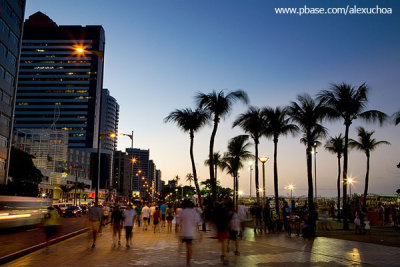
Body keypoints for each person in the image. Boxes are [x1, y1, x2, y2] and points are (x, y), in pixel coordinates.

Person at [177, 199, 201, 266]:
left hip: (184, 232)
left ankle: (186, 259)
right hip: (192, 232)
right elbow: (198, 223)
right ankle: (188, 262)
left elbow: (178, 223)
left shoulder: (181, 212)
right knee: (189, 247)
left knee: (186, 247)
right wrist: (200, 233)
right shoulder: (194, 212)